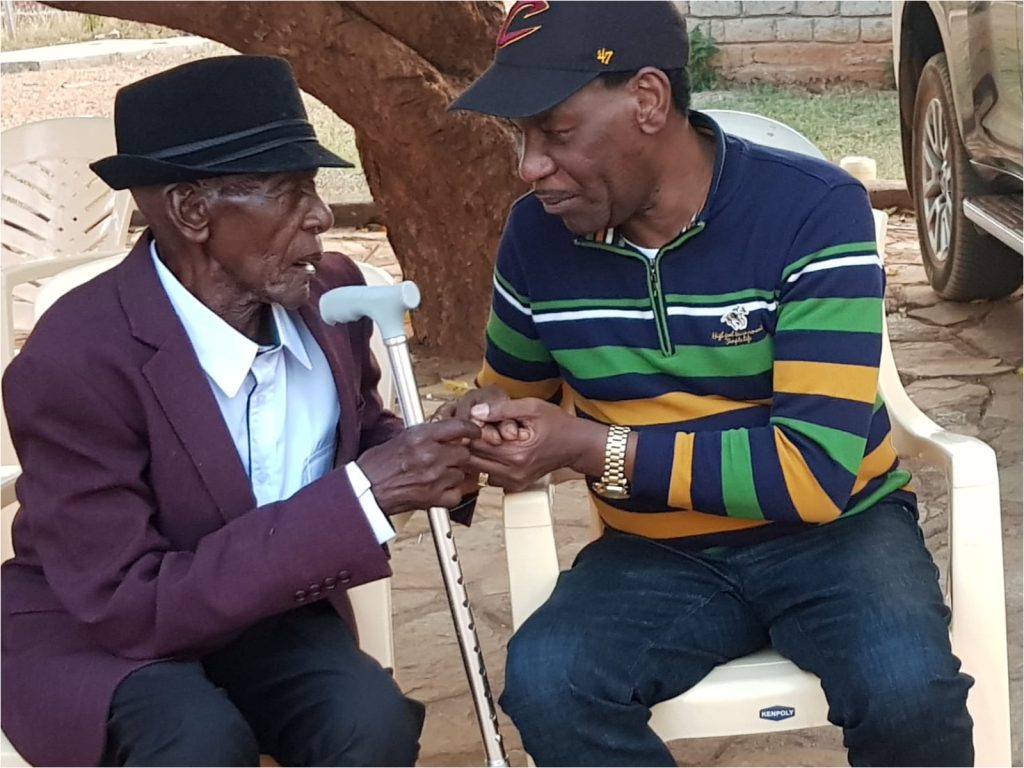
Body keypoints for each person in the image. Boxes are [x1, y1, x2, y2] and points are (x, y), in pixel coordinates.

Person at [444, 2, 974, 765]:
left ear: (649, 100)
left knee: (909, 693)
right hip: (656, 551)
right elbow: (513, 390)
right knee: (551, 683)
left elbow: (813, 474)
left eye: (555, 132)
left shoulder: (813, 211)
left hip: (838, 538)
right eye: (519, 138)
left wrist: (598, 449)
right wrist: (472, 429)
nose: (530, 166)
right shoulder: (537, 235)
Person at [1, 55, 482, 768]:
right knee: (195, 740)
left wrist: (445, 446)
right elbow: (132, 604)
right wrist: (368, 491)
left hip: (262, 616)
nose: (321, 216)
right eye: (291, 192)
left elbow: (358, 434)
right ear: (194, 211)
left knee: (367, 720)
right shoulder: (74, 360)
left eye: (314, 188)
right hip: (103, 634)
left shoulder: (329, 297)